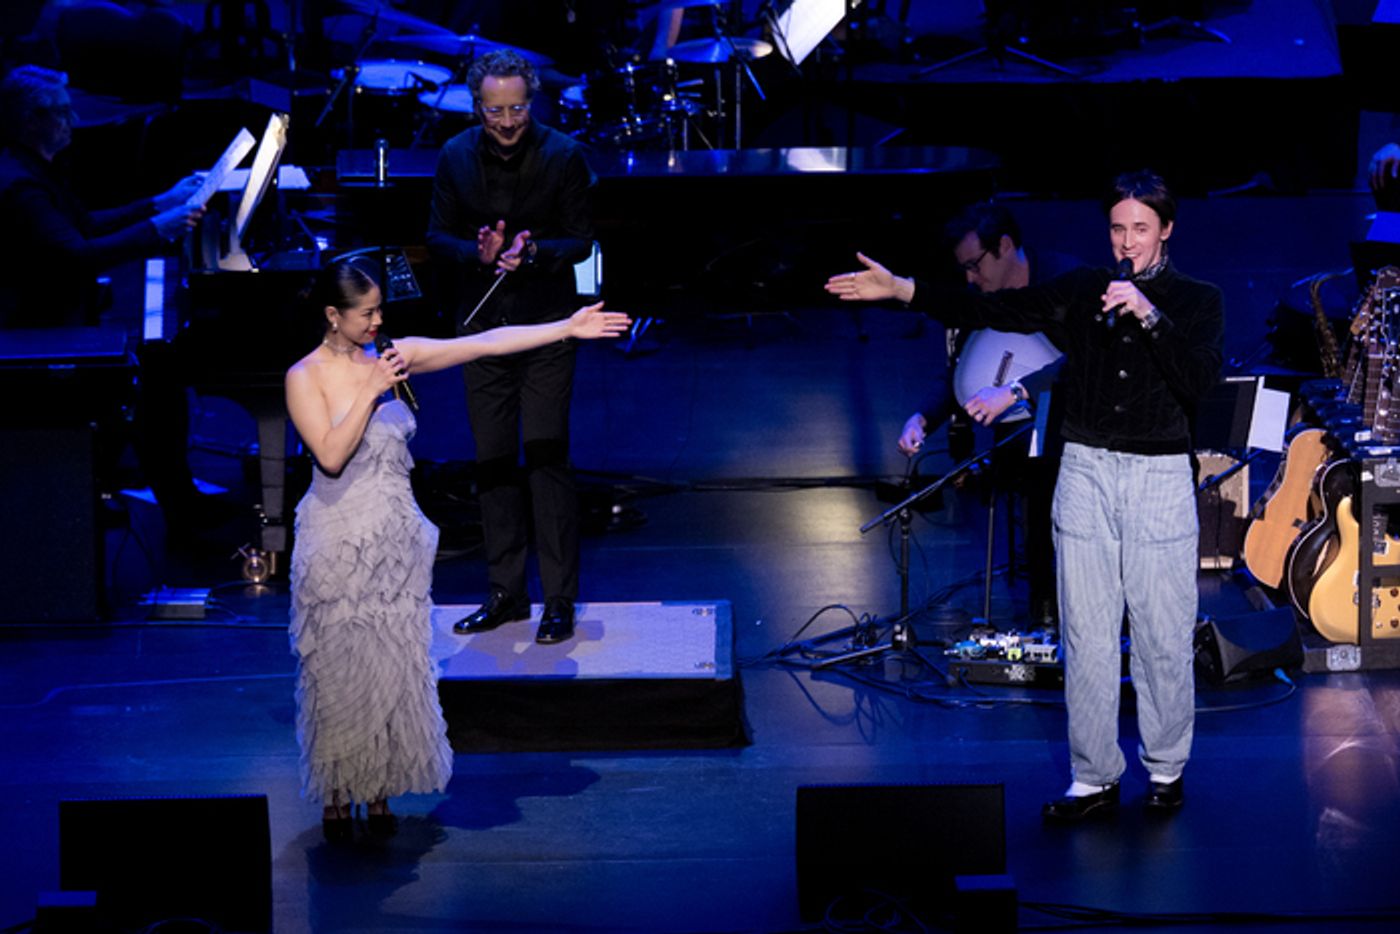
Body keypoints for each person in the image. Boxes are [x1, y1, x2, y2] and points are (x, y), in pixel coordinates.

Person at [827, 170, 1224, 822]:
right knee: (1086, 634)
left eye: (1141, 230)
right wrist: (903, 289)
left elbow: (1199, 380)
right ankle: (1093, 778)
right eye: (1118, 229)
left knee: (1160, 633)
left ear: (1167, 230)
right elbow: (991, 311)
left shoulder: (1197, 300)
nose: (1128, 243)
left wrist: (1150, 315)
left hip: (1156, 482)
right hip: (1087, 471)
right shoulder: (1083, 290)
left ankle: (1165, 767)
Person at [285, 258, 629, 842]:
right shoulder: (306, 376)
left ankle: (376, 784)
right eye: (365, 314)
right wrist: (370, 392)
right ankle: (339, 791)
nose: (377, 322)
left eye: (379, 311)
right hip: (339, 545)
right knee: (340, 674)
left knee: (388, 669)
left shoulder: (391, 357)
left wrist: (563, 328)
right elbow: (331, 455)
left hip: (394, 546)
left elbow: (485, 343)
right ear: (332, 315)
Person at [427, 49, 596, 645]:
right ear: (478, 106)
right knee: (493, 460)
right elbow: (436, 235)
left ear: (533, 101)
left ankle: (558, 599)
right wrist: (473, 253)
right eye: (495, 110)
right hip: (482, 331)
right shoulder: (454, 157)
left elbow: (581, 241)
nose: (506, 121)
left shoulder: (563, 155)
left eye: (517, 108)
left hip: (547, 328)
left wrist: (535, 252)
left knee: (547, 459)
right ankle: (504, 592)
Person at [889, 203, 1074, 626]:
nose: (971, 279)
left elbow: (1084, 360)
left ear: (1005, 246)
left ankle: (1059, 608)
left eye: (975, 265)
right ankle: (1043, 611)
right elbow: (960, 372)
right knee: (1030, 472)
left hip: (1076, 428)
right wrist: (922, 417)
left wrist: (1015, 391)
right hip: (1018, 441)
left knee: (1046, 472)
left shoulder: (1066, 282)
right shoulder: (981, 301)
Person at [0, 64, 202, 327]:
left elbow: (84, 224)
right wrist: (158, 228)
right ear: (30, 120)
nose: (74, 120)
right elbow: (77, 256)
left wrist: (159, 203)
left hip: (61, 304)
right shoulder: (22, 187)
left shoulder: (33, 165)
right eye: (62, 112)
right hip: (39, 326)